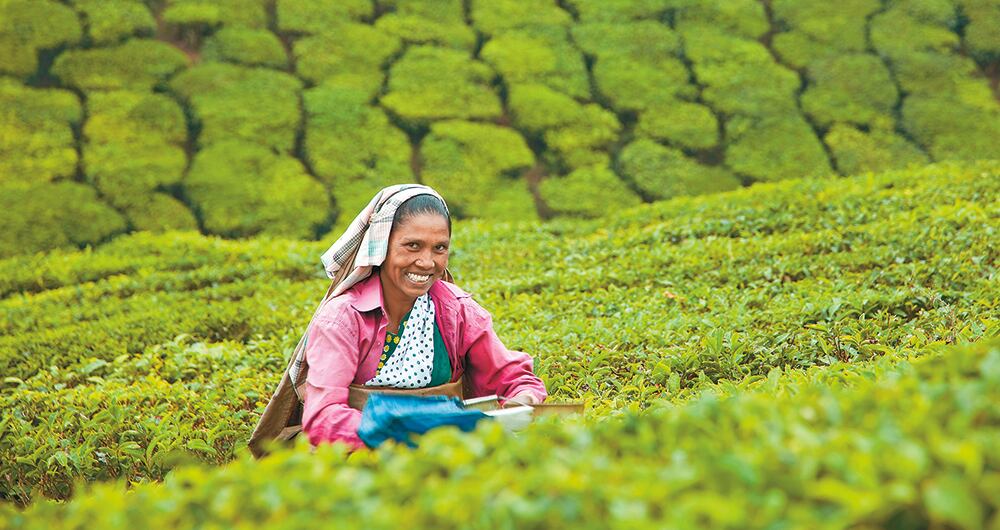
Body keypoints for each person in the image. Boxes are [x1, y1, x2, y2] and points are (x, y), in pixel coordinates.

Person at [300, 184, 547, 450]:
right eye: (413, 246)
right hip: (359, 461)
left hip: (444, 458)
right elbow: (323, 417)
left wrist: (524, 398)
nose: (427, 262)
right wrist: (405, 436)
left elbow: (512, 377)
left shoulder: (456, 310)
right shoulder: (344, 318)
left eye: (439, 248)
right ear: (382, 246)